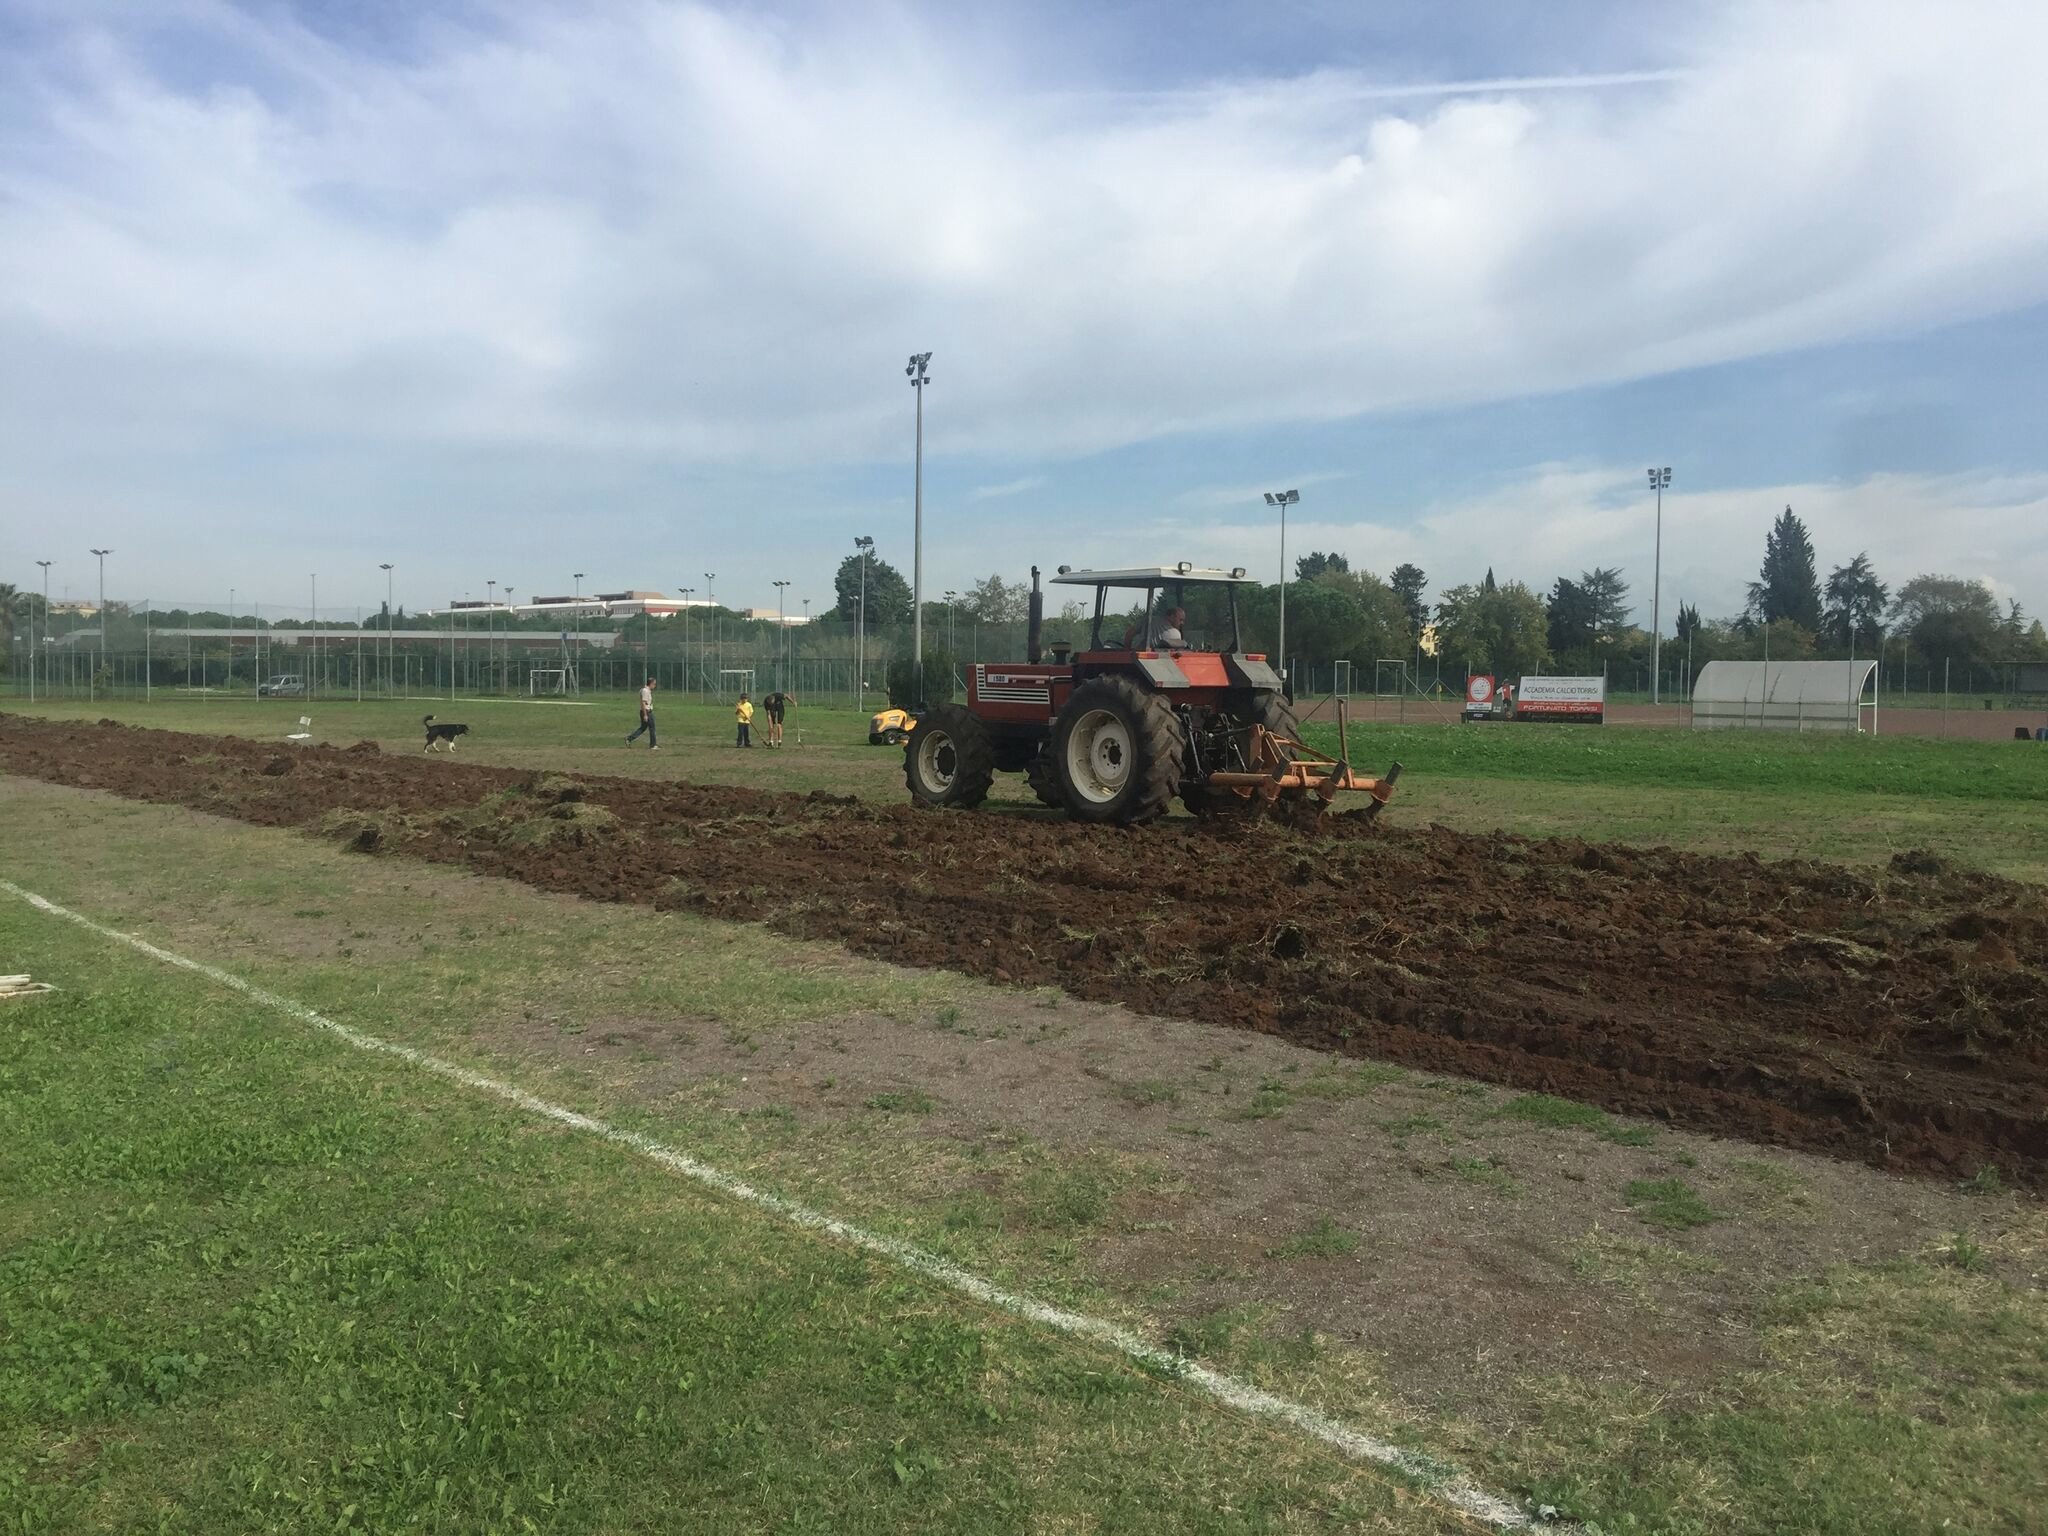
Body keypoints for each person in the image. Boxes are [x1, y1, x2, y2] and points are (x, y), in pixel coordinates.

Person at [625, 676, 658, 749]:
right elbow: (643, 703)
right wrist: (645, 715)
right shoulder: (645, 691)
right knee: (652, 728)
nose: (655, 686)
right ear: (651, 683)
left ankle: (629, 739)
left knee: (643, 728)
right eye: (654, 684)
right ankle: (653, 745)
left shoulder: (646, 690)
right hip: (647, 712)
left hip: (646, 711)